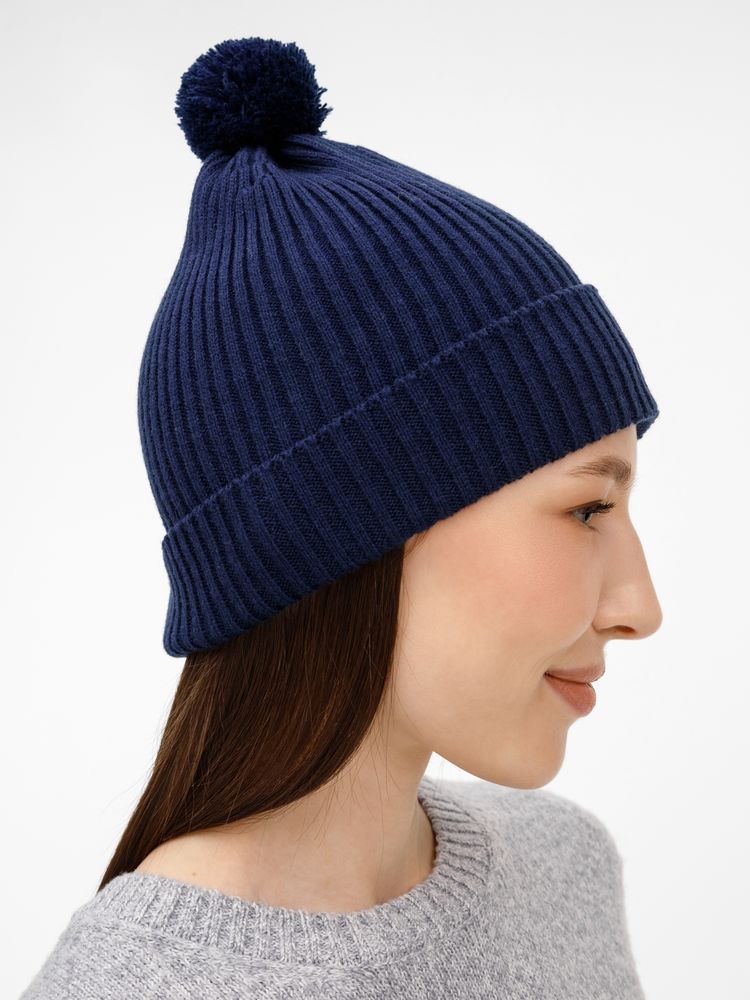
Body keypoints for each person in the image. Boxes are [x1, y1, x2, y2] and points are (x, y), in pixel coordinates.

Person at [21, 35, 663, 999]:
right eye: (586, 508)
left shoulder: (564, 865)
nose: (640, 606)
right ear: (342, 533)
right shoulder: (135, 984)